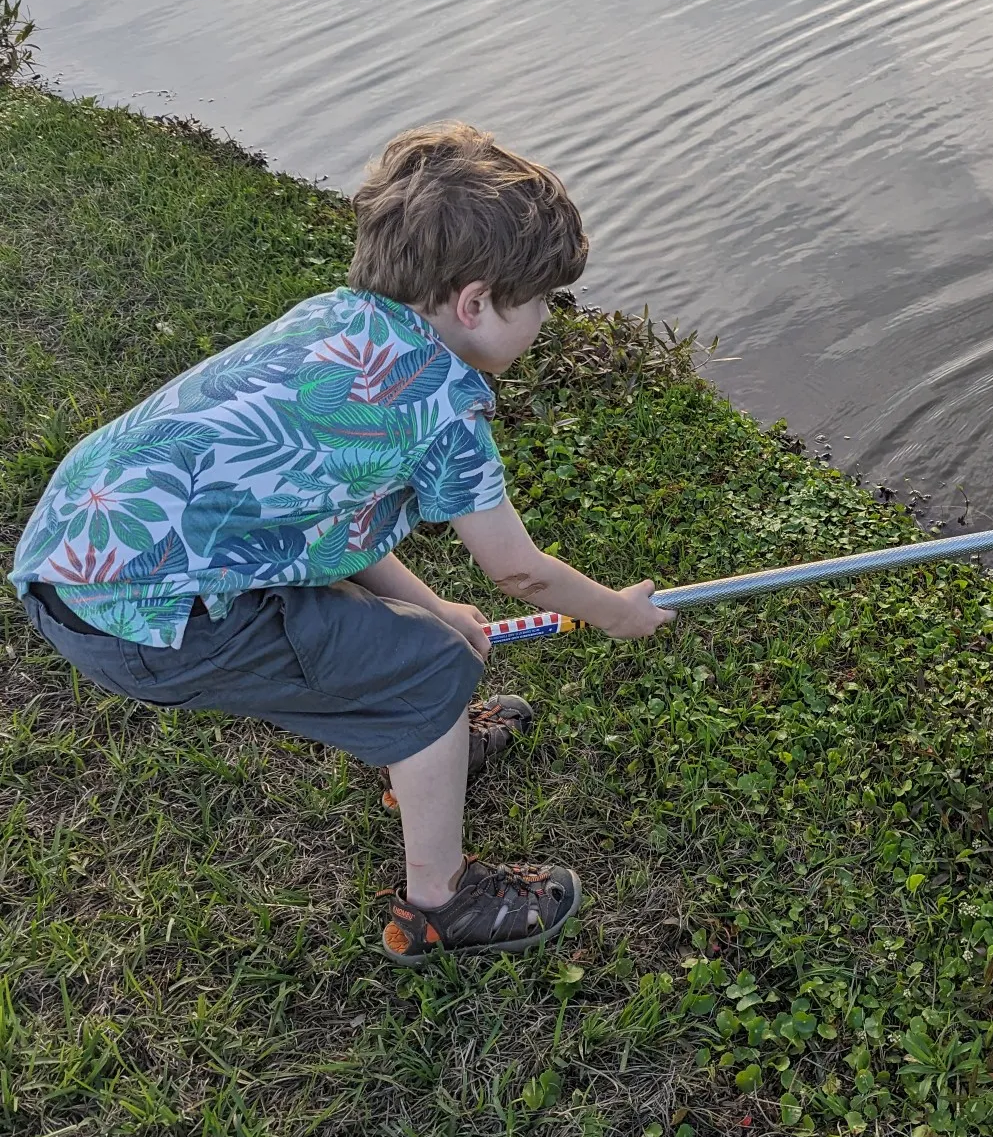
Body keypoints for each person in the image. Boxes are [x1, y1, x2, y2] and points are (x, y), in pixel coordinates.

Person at [8, 123, 673, 964]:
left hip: (76, 564)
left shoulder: (335, 325)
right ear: (474, 303)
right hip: (154, 622)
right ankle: (441, 904)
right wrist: (616, 613)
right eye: (541, 301)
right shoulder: (439, 404)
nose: (546, 319)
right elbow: (518, 570)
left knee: (414, 637)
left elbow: (321, 522)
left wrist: (429, 602)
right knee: (429, 667)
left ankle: (436, 747)